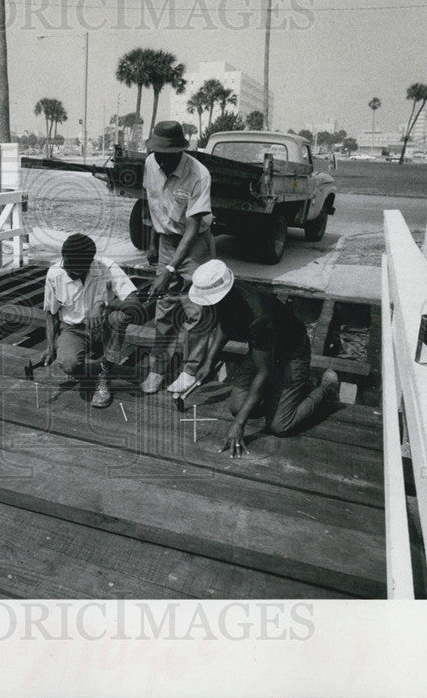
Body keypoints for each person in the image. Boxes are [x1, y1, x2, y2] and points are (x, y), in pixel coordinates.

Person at [186, 259, 340, 456]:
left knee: (280, 426)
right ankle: (289, 392)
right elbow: (224, 327)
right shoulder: (227, 297)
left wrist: (239, 424)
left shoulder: (258, 316)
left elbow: (264, 372)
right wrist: (209, 362)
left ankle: (325, 388)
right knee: (237, 406)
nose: (205, 307)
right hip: (264, 351)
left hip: (291, 352)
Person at [139, 120, 214, 396]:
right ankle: (158, 368)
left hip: (194, 246)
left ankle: (190, 370)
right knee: (165, 308)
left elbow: (193, 227)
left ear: (179, 151)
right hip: (166, 241)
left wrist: (169, 269)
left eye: (166, 155)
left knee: (196, 310)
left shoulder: (199, 174)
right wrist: (152, 243)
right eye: (157, 153)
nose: (161, 160)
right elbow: (150, 203)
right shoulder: (149, 164)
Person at [42, 233, 144, 408]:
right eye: (66, 265)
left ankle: (104, 376)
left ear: (89, 264)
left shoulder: (106, 267)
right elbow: (50, 313)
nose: (68, 272)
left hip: (104, 327)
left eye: (74, 271)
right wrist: (50, 346)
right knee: (68, 364)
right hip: (74, 328)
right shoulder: (55, 273)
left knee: (119, 317)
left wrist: (103, 305)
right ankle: (98, 368)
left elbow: (136, 306)